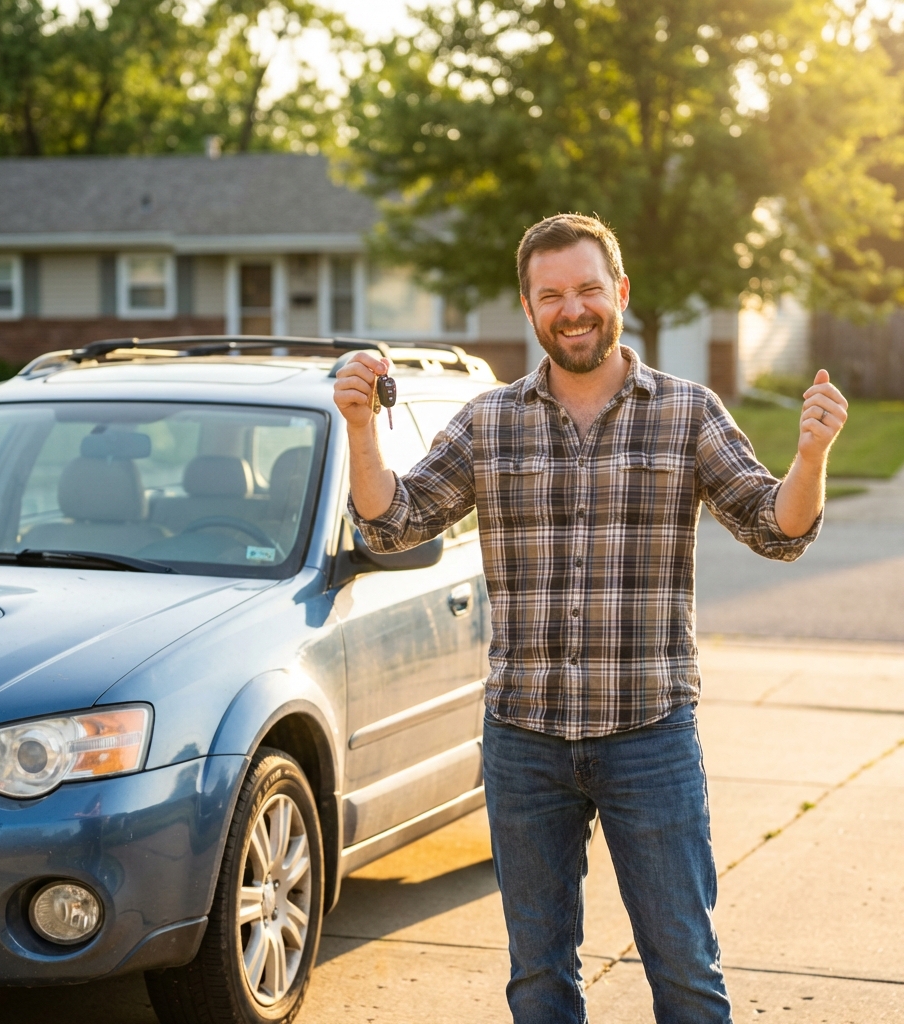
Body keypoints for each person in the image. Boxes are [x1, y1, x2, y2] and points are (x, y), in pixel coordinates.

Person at [333, 213, 847, 1024]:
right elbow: (393, 521)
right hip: (523, 740)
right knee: (539, 980)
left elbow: (773, 527)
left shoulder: (687, 413)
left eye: (586, 289)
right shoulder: (488, 420)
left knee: (684, 971)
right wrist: (361, 428)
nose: (571, 309)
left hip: (650, 737)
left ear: (621, 293)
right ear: (530, 308)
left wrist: (810, 457)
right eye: (551, 295)